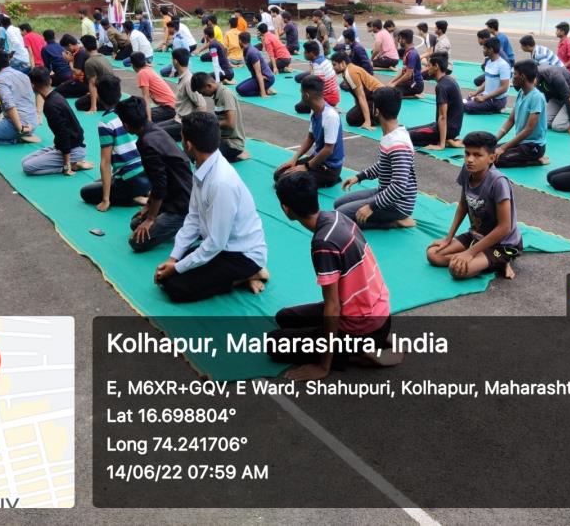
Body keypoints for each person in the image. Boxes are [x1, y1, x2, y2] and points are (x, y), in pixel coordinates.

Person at [269, 171, 392, 380]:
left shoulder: (323, 243)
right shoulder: (338, 217)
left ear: (286, 209)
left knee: (274, 343)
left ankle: (355, 353)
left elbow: (332, 307)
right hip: (381, 315)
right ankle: (373, 340)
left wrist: (322, 367)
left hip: (362, 327)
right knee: (284, 317)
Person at [155, 112, 269, 302]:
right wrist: (174, 259)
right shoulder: (201, 165)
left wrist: (177, 268)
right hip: (221, 246)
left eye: (182, 137)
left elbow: (216, 242)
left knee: (175, 288)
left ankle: (250, 273)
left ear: (188, 144)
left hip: (241, 253)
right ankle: (237, 275)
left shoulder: (221, 182)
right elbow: (193, 216)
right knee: (166, 277)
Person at [426, 131, 523, 280]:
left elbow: (505, 227)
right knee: (433, 255)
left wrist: (469, 253)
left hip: (502, 245)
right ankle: (480, 256)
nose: (470, 159)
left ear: (492, 158)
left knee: (457, 270)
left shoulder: (498, 182)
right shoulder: (467, 171)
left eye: (477, 155)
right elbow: (463, 206)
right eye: (467, 154)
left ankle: (501, 260)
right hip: (476, 236)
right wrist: (448, 238)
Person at [114, 97, 193, 252]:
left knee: (136, 242)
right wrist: (149, 206)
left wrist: (150, 219)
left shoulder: (147, 143)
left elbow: (160, 185)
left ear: (126, 125)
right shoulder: (153, 130)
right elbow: (158, 179)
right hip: (172, 195)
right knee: (135, 223)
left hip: (183, 203)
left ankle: (192, 224)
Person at [337, 87, 417, 228]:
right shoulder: (391, 135)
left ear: (376, 111)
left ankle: (394, 222)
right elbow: (383, 165)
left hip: (398, 204)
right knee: (338, 204)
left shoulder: (398, 143)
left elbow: (399, 186)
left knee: (340, 216)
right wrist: (359, 177)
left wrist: (371, 207)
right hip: (384, 192)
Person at [78, 76, 151, 211]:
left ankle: (134, 198)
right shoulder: (132, 110)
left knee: (86, 192)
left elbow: (105, 162)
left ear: (99, 97)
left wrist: (106, 200)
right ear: (119, 93)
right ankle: (141, 192)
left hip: (130, 181)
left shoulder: (106, 122)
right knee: (100, 182)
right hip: (147, 175)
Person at [274, 76, 344, 188]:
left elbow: (328, 150)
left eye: (301, 92)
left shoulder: (330, 116)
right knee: (278, 174)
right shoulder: (314, 111)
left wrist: (306, 167)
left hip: (329, 168)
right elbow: (310, 138)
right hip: (316, 160)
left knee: (284, 182)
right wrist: (294, 159)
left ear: (306, 95)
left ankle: (331, 179)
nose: (300, 95)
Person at [22, 67, 93, 175]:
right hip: (68, 145)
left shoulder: (50, 105)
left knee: (28, 167)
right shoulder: (56, 96)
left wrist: (66, 166)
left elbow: (63, 134)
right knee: (24, 161)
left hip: (72, 149)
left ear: (32, 85)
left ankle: (73, 165)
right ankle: (71, 161)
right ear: (50, 81)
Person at [0, 50, 40, 145]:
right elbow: (36, 93)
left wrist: (20, 128)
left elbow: (9, 105)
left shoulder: (0, 80)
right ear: (8, 60)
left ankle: (15, 140)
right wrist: (38, 114)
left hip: (20, 126)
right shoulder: (23, 75)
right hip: (33, 123)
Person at [493, 60, 549, 167]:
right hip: (521, 143)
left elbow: (528, 130)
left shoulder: (537, 97)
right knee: (487, 152)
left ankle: (537, 160)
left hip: (533, 146)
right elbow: (510, 120)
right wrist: (494, 140)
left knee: (495, 160)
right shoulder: (521, 92)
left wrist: (502, 148)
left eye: (514, 74)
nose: (512, 78)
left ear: (522, 76)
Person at [407, 54, 463, 150]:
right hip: (449, 127)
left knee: (404, 137)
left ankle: (444, 140)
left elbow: (442, 116)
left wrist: (441, 145)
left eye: (428, 66)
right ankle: (447, 139)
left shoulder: (441, 86)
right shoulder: (449, 79)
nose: (426, 69)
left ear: (436, 66)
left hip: (448, 129)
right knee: (405, 131)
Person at [191, 71, 250, 162]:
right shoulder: (217, 95)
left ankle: (237, 155)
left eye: (202, 92)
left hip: (232, 144)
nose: (203, 95)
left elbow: (230, 123)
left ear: (209, 86)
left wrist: (208, 123)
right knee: (194, 146)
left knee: (202, 155)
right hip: (222, 138)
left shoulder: (226, 95)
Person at [159, 48, 204, 139]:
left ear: (175, 61)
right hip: (177, 118)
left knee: (155, 134)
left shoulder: (188, 80)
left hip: (183, 124)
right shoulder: (183, 77)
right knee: (153, 128)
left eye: (172, 59)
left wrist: (193, 128)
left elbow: (202, 105)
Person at [333, 52, 383, 130]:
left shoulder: (350, 73)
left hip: (379, 99)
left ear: (342, 63)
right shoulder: (348, 70)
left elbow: (361, 97)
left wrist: (367, 122)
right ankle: (376, 115)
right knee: (353, 114)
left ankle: (377, 117)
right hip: (373, 97)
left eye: (334, 65)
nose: (333, 68)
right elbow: (356, 94)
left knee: (351, 119)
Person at [465, 37, 510, 114]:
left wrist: (484, 97)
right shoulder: (489, 62)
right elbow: (487, 82)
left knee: (467, 106)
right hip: (487, 97)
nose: (483, 50)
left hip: (497, 101)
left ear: (491, 50)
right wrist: (476, 93)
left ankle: (494, 110)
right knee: (466, 100)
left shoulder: (503, 65)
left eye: (484, 48)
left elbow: (504, 88)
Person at [74, 34, 115, 113]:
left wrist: (93, 107)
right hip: (113, 94)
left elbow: (92, 84)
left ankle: (105, 104)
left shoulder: (89, 62)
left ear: (84, 47)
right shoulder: (103, 57)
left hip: (105, 96)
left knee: (78, 104)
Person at [130, 51, 175, 123]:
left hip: (170, 109)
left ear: (132, 65)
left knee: (140, 116)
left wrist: (149, 119)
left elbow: (146, 98)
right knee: (140, 112)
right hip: (171, 106)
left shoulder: (142, 73)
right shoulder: (148, 69)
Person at [294, 41, 338, 113]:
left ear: (311, 53)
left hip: (328, 98)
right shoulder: (324, 60)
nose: (304, 54)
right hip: (334, 95)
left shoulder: (318, 66)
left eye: (305, 52)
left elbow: (317, 88)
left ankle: (327, 106)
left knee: (299, 107)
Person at [535, 63, 570, 133]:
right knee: (543, 122)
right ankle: (563, 112)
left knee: (557, 126)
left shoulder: (555, 76)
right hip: (558, 97)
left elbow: (568, 97)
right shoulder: (535, 80)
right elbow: (547, 94)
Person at [236, 31, 276, 98]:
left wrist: (263, 94)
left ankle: (265, 91)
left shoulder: (252, 53)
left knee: (241, 90)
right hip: (258, 77)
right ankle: (265, 89)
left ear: (240, 41)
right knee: (238, 88)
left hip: (267, 79)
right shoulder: (246, 50)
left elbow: (258, 72)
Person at [388, 29, 424, 97]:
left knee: (390, 93)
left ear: (404, 40)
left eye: (400, 39)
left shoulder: (412, 54)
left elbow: (408, 75)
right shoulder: (407, 51)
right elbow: (403, 72)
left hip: (416, 85)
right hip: (408, 83)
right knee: (388, 87)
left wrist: (394, 84)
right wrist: (392, 82)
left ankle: (415, 94)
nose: (399, 41)